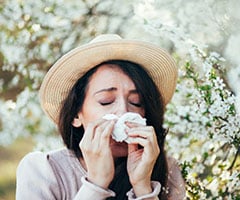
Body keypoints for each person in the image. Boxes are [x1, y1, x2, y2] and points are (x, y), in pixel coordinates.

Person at [16, 34, 185, 200]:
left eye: (136, 102)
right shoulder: (42, 171)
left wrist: (143, 187)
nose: (124, 112)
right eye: (106, 101)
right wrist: (96, 184)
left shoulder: (167, 171)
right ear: (76, 114)